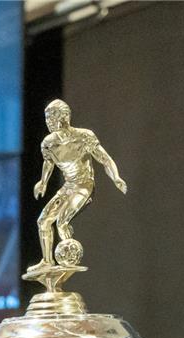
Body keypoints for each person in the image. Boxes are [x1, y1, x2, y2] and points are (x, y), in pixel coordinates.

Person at [31, 99, 127, 269]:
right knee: (43, 221)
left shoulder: (84, 137)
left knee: (62, 221)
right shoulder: (48, 143)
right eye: (47, 119)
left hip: (84, 185)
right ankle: (47, 261)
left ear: (64, 117)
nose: (49, 122)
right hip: (68, 186)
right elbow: (48, 163)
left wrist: (116, 177)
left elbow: (104, 159)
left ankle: (69, 258)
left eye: (52, 118)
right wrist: (43, 182)